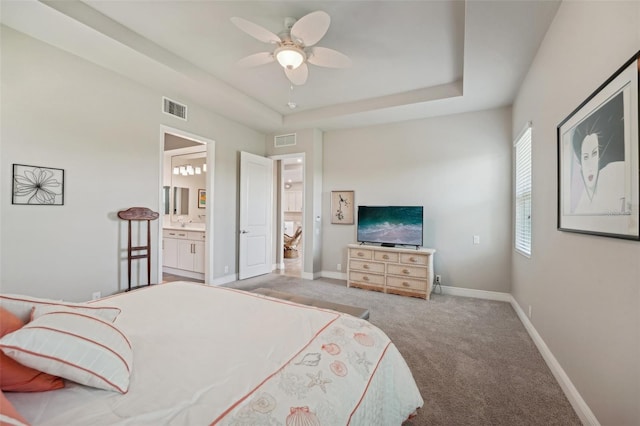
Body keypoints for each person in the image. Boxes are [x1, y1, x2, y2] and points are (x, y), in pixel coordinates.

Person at [571, 92, 627, 215]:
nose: (590, 165)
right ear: (580, 161)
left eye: (594, 154)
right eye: (585, 157)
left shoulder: (613, 173)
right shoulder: (582, 200)